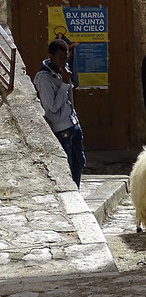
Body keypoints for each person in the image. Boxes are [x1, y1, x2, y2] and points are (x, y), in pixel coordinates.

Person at [34, 39, 85, 188]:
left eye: (66, 57)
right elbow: (52, 107)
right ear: (51, 56)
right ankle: (70, 191)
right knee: (67, 163)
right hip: (60, 127)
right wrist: (64, 84)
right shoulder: (44, 78)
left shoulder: (63, 70)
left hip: (73, 122)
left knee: (79, 161)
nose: (64, 61)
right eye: (61, 58)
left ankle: (77, 189)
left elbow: (70, 98)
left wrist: (68, 80)